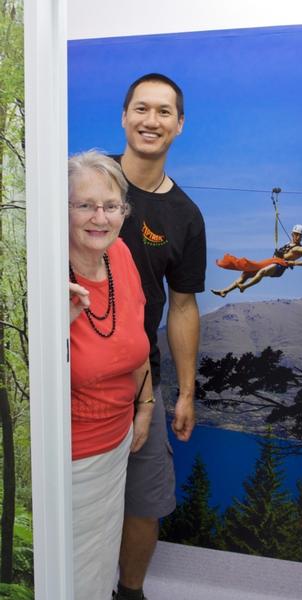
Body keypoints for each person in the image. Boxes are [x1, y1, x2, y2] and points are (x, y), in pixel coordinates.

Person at [110, 74, 206, 600]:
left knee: (144, 502)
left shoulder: (185, 216)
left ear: (179, 125)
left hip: (143, 379)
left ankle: (130, 591)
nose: (151, 120)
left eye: (164, 112)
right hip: (75, 373)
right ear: (124, 116)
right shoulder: (87, 186)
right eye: (141, 109)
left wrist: (185, 391)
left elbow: (184, 306)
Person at [68, 150, 154, 600]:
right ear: (62, 209)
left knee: (101, 566)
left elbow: (136, 337)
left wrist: (145, 406)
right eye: (84, 205)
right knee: (73, 573)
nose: (99, 217)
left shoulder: (119, 253)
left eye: (111, 205)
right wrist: (53, 320)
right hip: (70, 459)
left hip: (116, 444)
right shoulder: (44, 276)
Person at [211, 224, 302, 297]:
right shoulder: (287, 244)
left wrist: (294, 263)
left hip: (280, 267)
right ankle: (225, 291)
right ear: (292, 234)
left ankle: (244, 287)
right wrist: (278, 253)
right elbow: (279, 255)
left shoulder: (301, 249)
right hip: (273, 261)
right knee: (246, 273)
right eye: (295, 234)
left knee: (262, 272)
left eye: (300, 235)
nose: (297, 236)